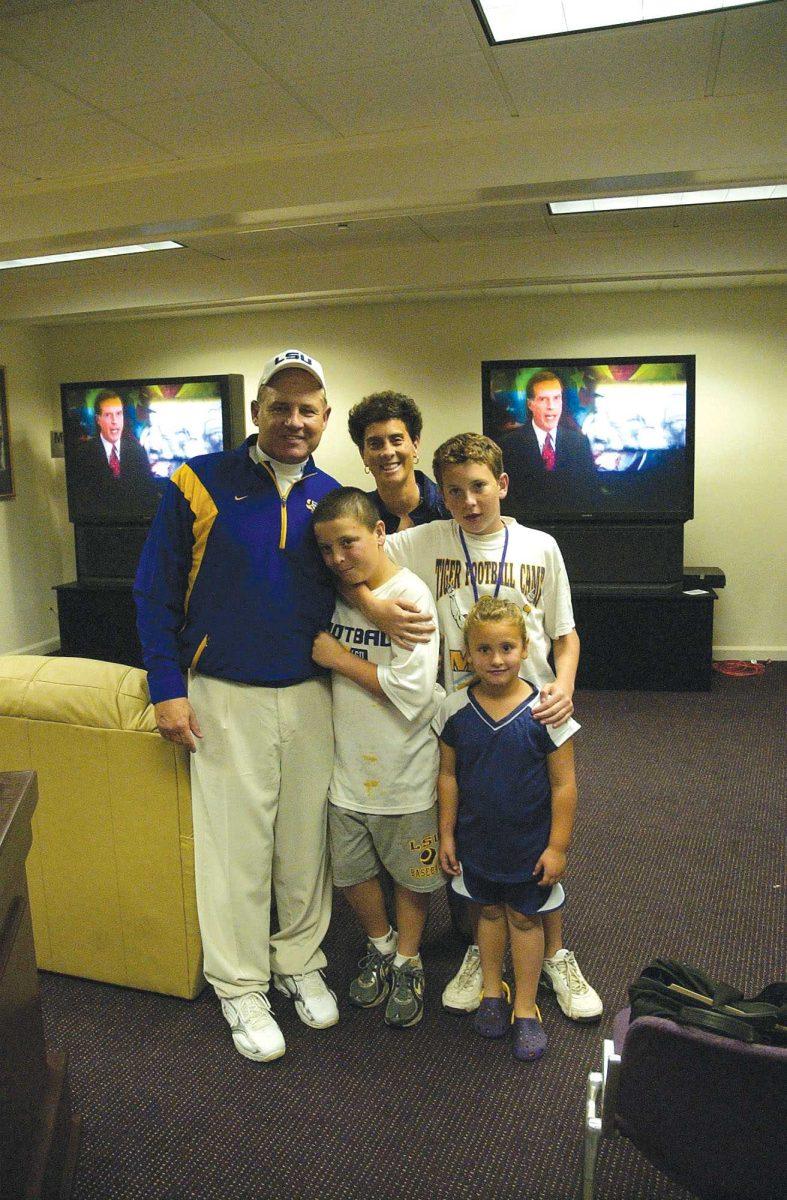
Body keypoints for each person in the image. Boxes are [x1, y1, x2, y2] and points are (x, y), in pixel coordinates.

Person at [349, 432, 601, 1022]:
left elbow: (566, 633)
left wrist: (563, 684)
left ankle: (555, 953)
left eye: (480, 486)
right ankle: (481, 956)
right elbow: (350, 556)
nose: (468, 500)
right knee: (475, 824)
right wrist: (370, 604)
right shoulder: (426, 541)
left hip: (535, 713)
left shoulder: (541, 546)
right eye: (455, 490)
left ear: (502, 485)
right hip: (464, 713)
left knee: (537, 830)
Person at [134, 348, 340, 1063]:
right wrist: (166, 687)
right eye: (279, 406)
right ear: (255, 411)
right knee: (235, 847)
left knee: (303, 841)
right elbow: (153, 590)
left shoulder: (335, 496)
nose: (292, 420)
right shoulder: (197, 481)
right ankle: (241, 984)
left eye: (306, 409)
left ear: (323, 419)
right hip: (221, 691)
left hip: (312, 694)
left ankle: (299, 961)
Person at [311, 487, 444, 1028]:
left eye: (349, 543)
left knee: (413, 877)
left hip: (405, 771)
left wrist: (337, 658)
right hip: (347, 772)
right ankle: (381, 945)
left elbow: (411, 694)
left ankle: (409, 959)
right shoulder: (336, 590)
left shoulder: (411, 598)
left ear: (379, 533)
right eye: (326, 549)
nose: (338, 558)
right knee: (350, 873)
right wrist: (362, 598)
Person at [434, 596, 580, 1061]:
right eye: (483, 650)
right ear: (467, 654)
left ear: (525, 647)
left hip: (529, 847)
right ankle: (492, 993)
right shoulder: (454, 709)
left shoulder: (546, 711)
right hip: (477, 844)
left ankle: (524, 1008)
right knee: (489, 915)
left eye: (506, 648)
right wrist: (447, 835)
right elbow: (448, 776)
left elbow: (564, 785)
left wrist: (557, 847)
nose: (496, 660)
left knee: (524, 918)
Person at [347, 390, 448, 532]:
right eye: (375, 444)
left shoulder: (450, 506)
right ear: (363, 454)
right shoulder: (358, 518)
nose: (388, 452)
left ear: (415, 444)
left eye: (396, 440)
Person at [502, 370, 596, 507]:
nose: (551, 406)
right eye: (543, 399)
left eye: (556, 398)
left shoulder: (579, 443)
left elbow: (590, 495)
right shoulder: (509, 445)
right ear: (530, 404)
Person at [70, 390, 160, 519]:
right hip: (96, 530)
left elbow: (149, 496)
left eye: (118, 414)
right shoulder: (84, 454)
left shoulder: (137, 452)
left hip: (135, 529)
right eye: (108, 415)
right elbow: (81, 501)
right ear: (98, 419)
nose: (114, 421)